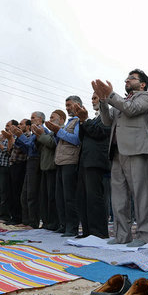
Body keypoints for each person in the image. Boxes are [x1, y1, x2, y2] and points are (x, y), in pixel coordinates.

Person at [93, 69, 148, 247]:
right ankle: (122, 235)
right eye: (127, 78)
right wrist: (103, 100)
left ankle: (144, 235)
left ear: (142, 84)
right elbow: (106, 121)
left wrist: (110, 94)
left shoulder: (147, 96)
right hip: (117, 153)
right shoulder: (120, 101)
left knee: (141, 195)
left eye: (132, 78)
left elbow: (131, 109)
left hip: (137, 150)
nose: (127, 80)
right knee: (119, 197)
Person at [73, 93, 111, 238]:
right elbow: (82, 137)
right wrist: (82, 122)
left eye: (96, 97)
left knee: (95, 199)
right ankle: (88, 232)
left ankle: (98, 233)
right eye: (92, 98)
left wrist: (84, 120)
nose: (93, 100)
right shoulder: (93, 118)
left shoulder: (108, 116)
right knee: (83, 198)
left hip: (96, 162)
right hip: (85, 161)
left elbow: (100, 133)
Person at [45, 96, 82, 237]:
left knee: (69, 197)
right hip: (60, 162)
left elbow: (76, 139)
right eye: (66, 105)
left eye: (69, 105)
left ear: (77, 105)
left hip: (70, 162)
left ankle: (72, 227)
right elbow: (61, 140)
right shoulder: (68, 123)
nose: (67, 108)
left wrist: (58, 131)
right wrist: (56, 132)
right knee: (59, 196)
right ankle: (63, 224)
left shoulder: (79, 121)